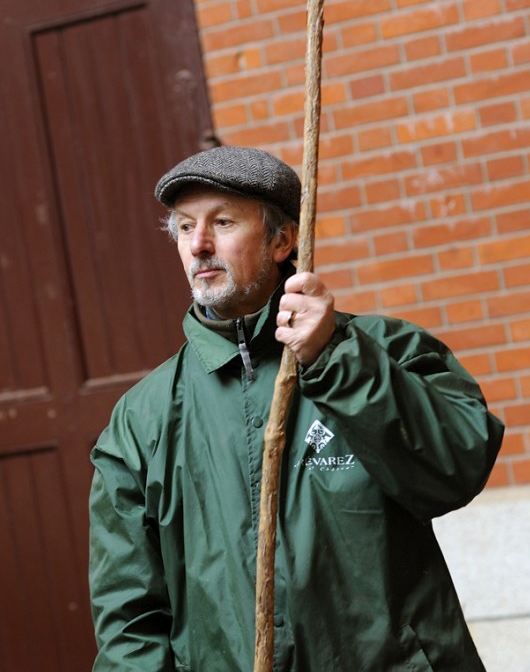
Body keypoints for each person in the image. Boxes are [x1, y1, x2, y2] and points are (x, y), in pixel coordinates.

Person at [88, 146, 504, 671]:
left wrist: (336, 358)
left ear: (282, 240)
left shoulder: (383, 351)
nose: (199, 244)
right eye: (185, 226)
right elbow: (129, 621)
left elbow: (456, 468)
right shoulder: (141, 420)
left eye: (222, 222)